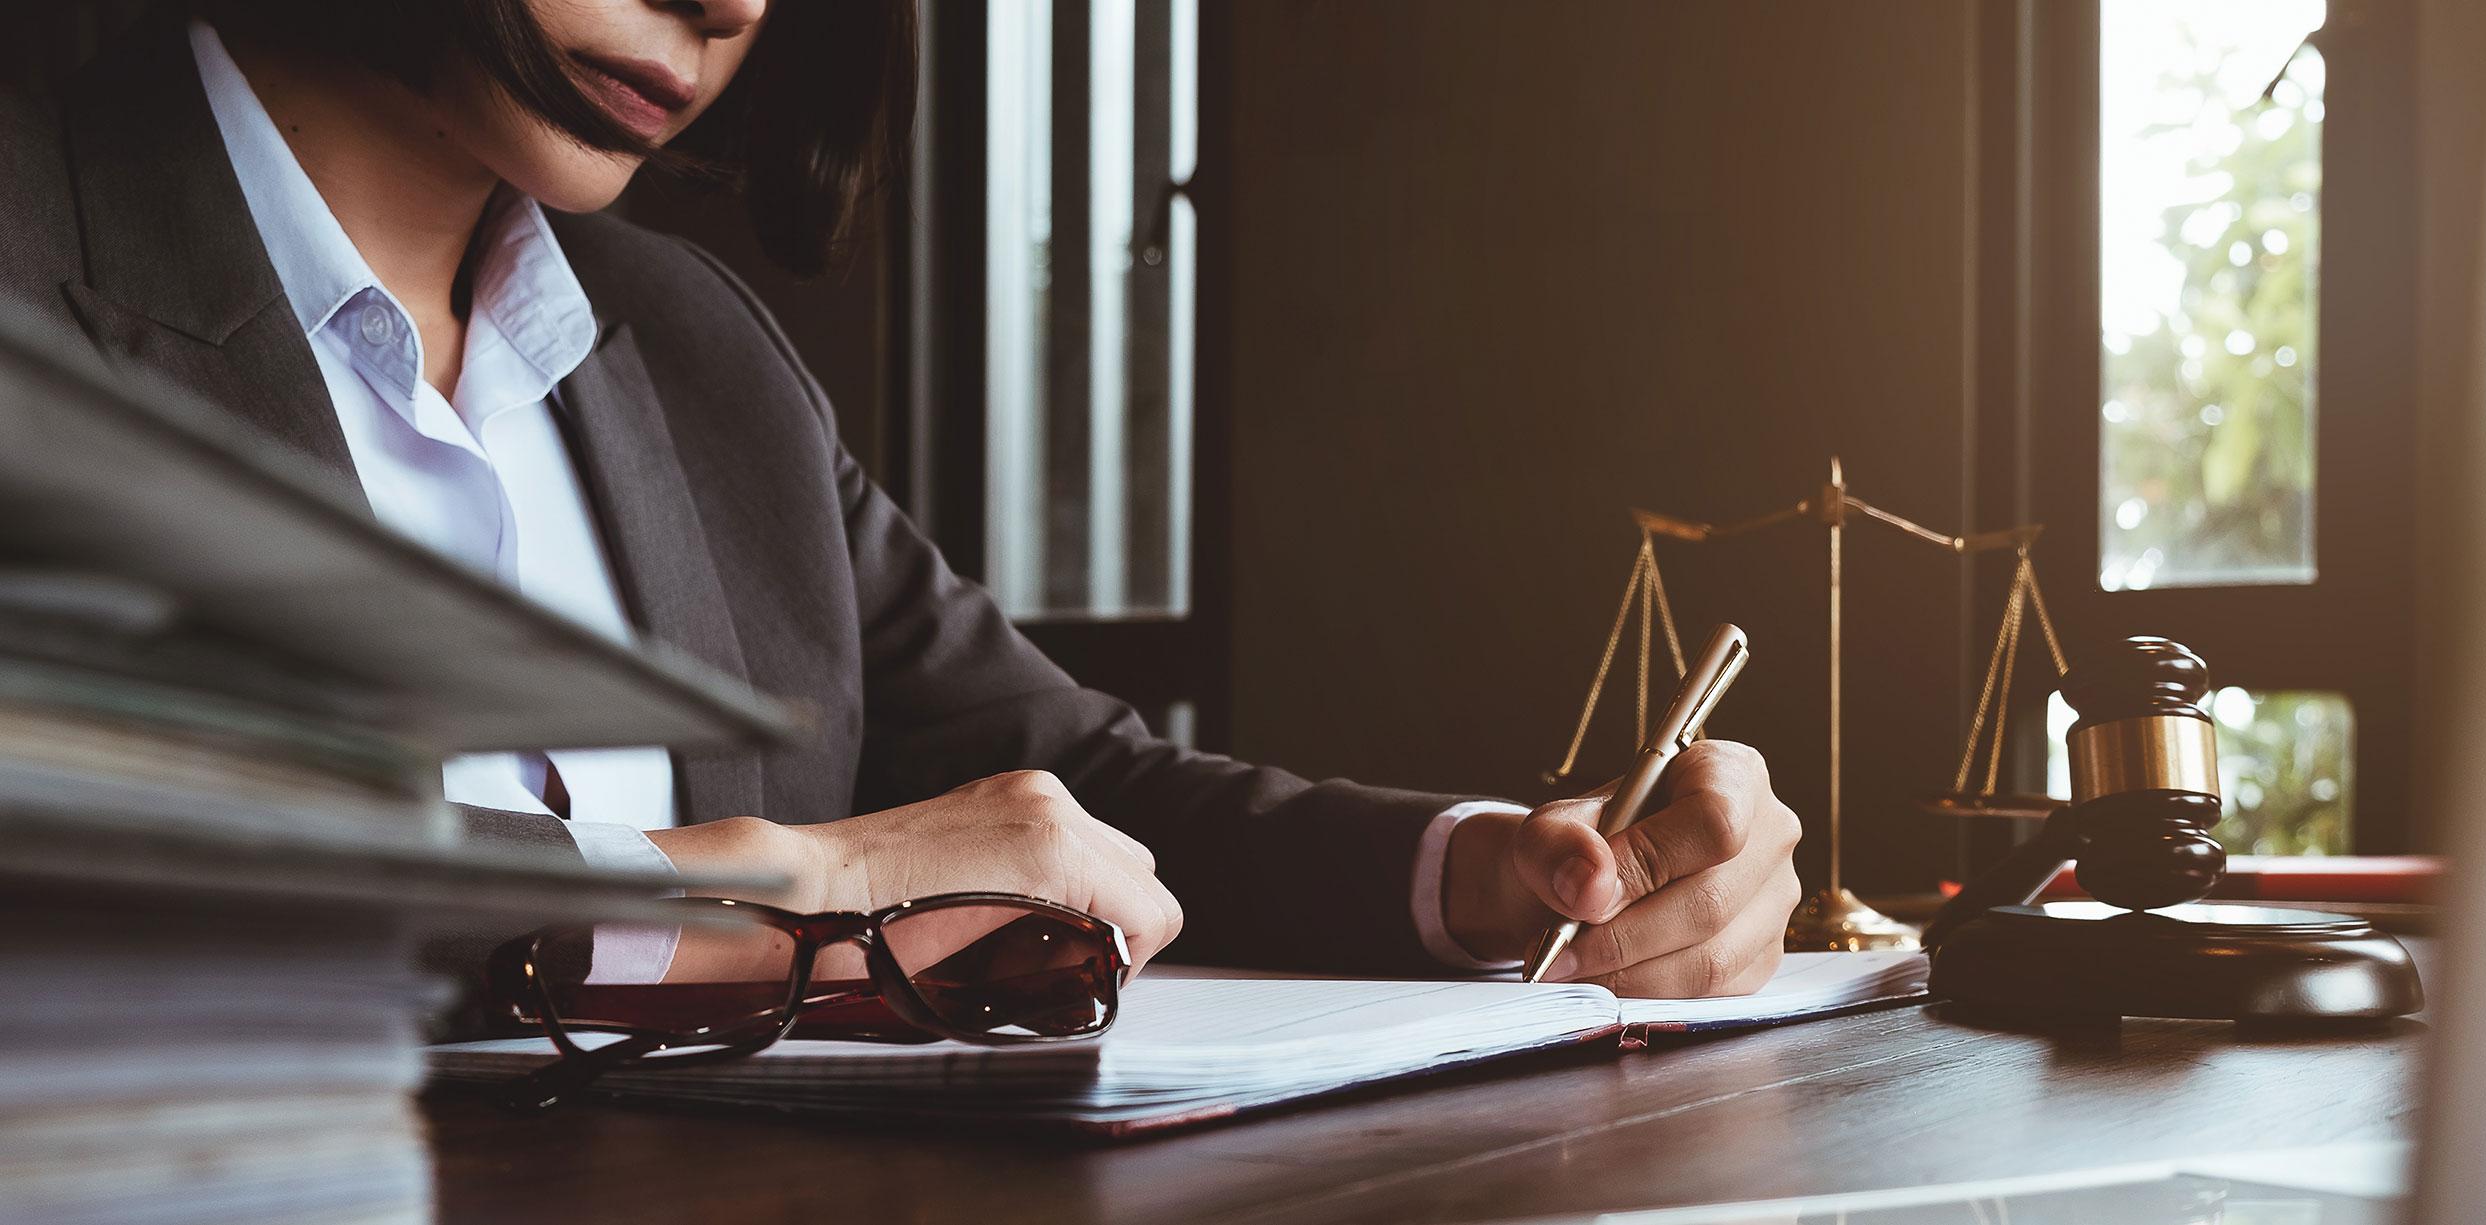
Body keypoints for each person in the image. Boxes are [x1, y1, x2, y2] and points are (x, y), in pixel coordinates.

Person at [0, 0, 1801, 997]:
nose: (725, 7)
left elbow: (1068, 790)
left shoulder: (699, 355)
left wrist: (1490, 873)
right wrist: (800, 884)